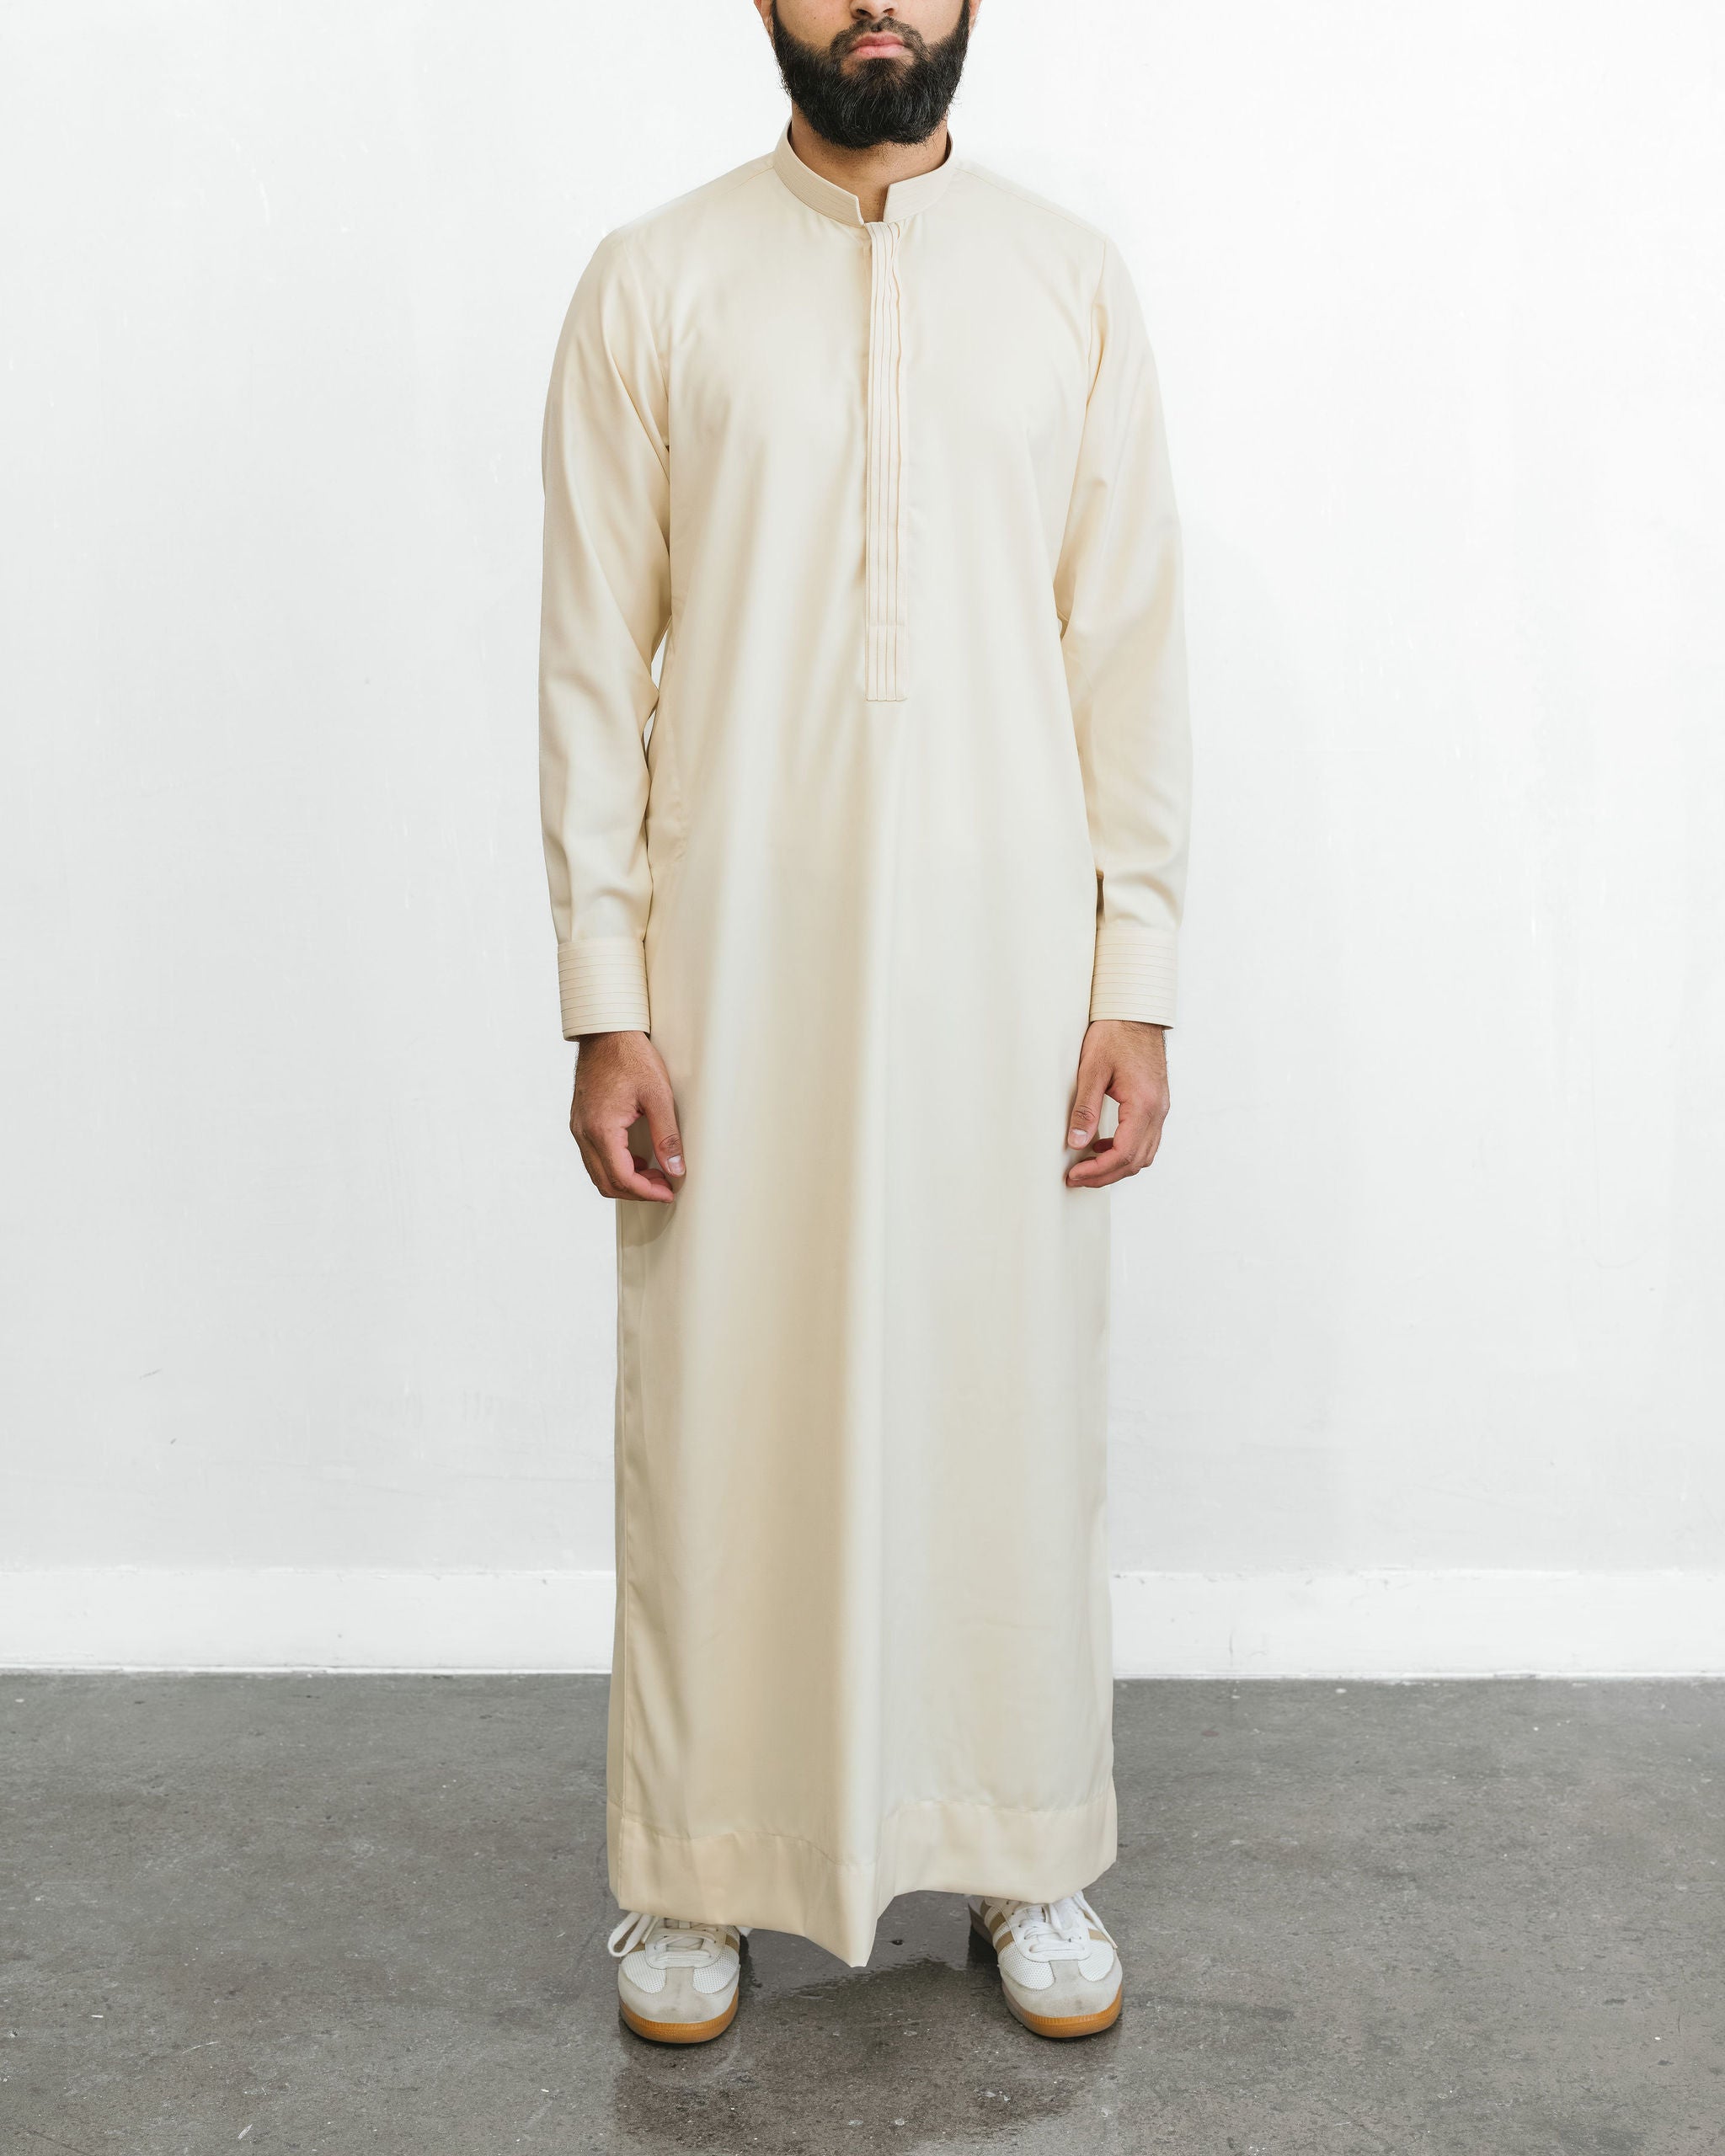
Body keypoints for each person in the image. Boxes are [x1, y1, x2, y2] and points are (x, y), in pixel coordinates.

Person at [538, 0, 1191, 2045]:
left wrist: (1135, 974)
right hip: (735, 961)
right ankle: (695, 1861)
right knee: (721, 1393)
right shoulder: (654, 284)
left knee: (1007, 1394)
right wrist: (605, 996)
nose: (874, 7)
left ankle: (1021, 1836)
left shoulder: (1070, 287)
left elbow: (1128, 653)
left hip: (1009, 959)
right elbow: (589, 671)